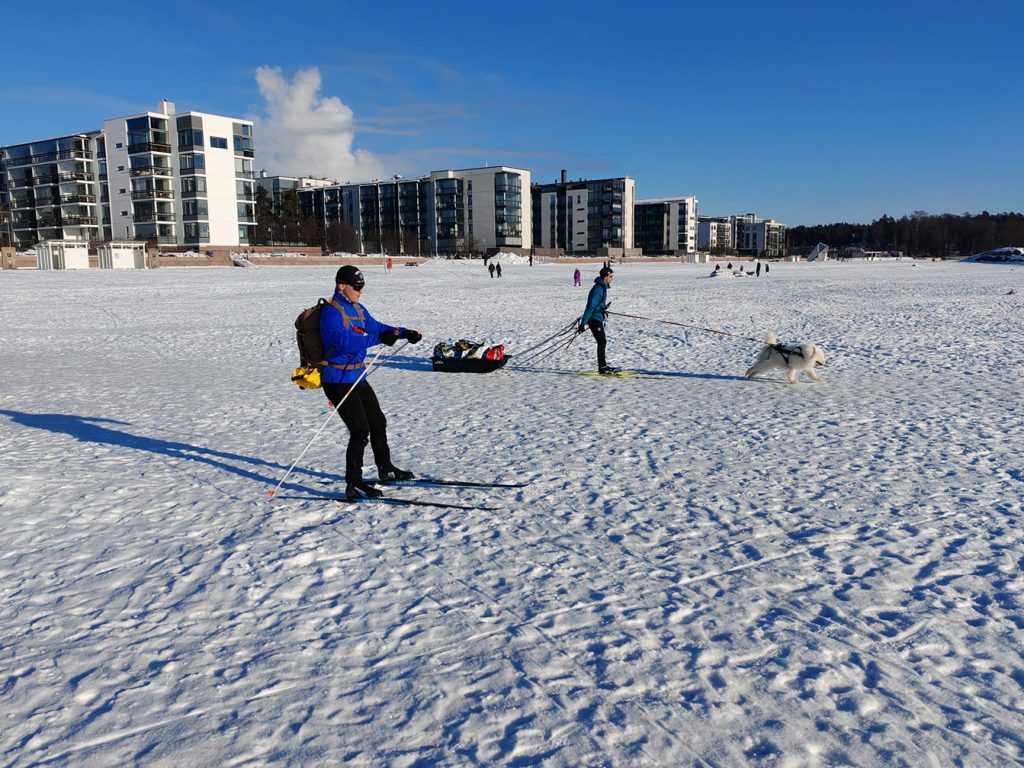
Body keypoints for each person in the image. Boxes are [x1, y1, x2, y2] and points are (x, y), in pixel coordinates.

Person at [320, 265, 423, 500]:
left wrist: (404, 332)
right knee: (360, 429)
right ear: (341, 286)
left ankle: (385, 469)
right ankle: (353, 483)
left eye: (362, 287)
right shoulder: (331, 313)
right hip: (337, 380)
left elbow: (376, 327)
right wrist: (378, 339)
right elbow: (345, 342)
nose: (360, 291)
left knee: (377, 421)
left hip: (357, 376)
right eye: (356, 287)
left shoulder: (357, 308)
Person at [578, 266, 617, 374]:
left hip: (597, 317)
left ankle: (603, 366)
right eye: (611, 276)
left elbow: (597, 305)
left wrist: (603, 309)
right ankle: (602, 367)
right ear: (605, 277)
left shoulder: (602, 287)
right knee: (602, 341)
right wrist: (583, 323)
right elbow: (590, 306)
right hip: (593, 319)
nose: (612, 278)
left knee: (602, 341)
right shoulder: (598, 289)